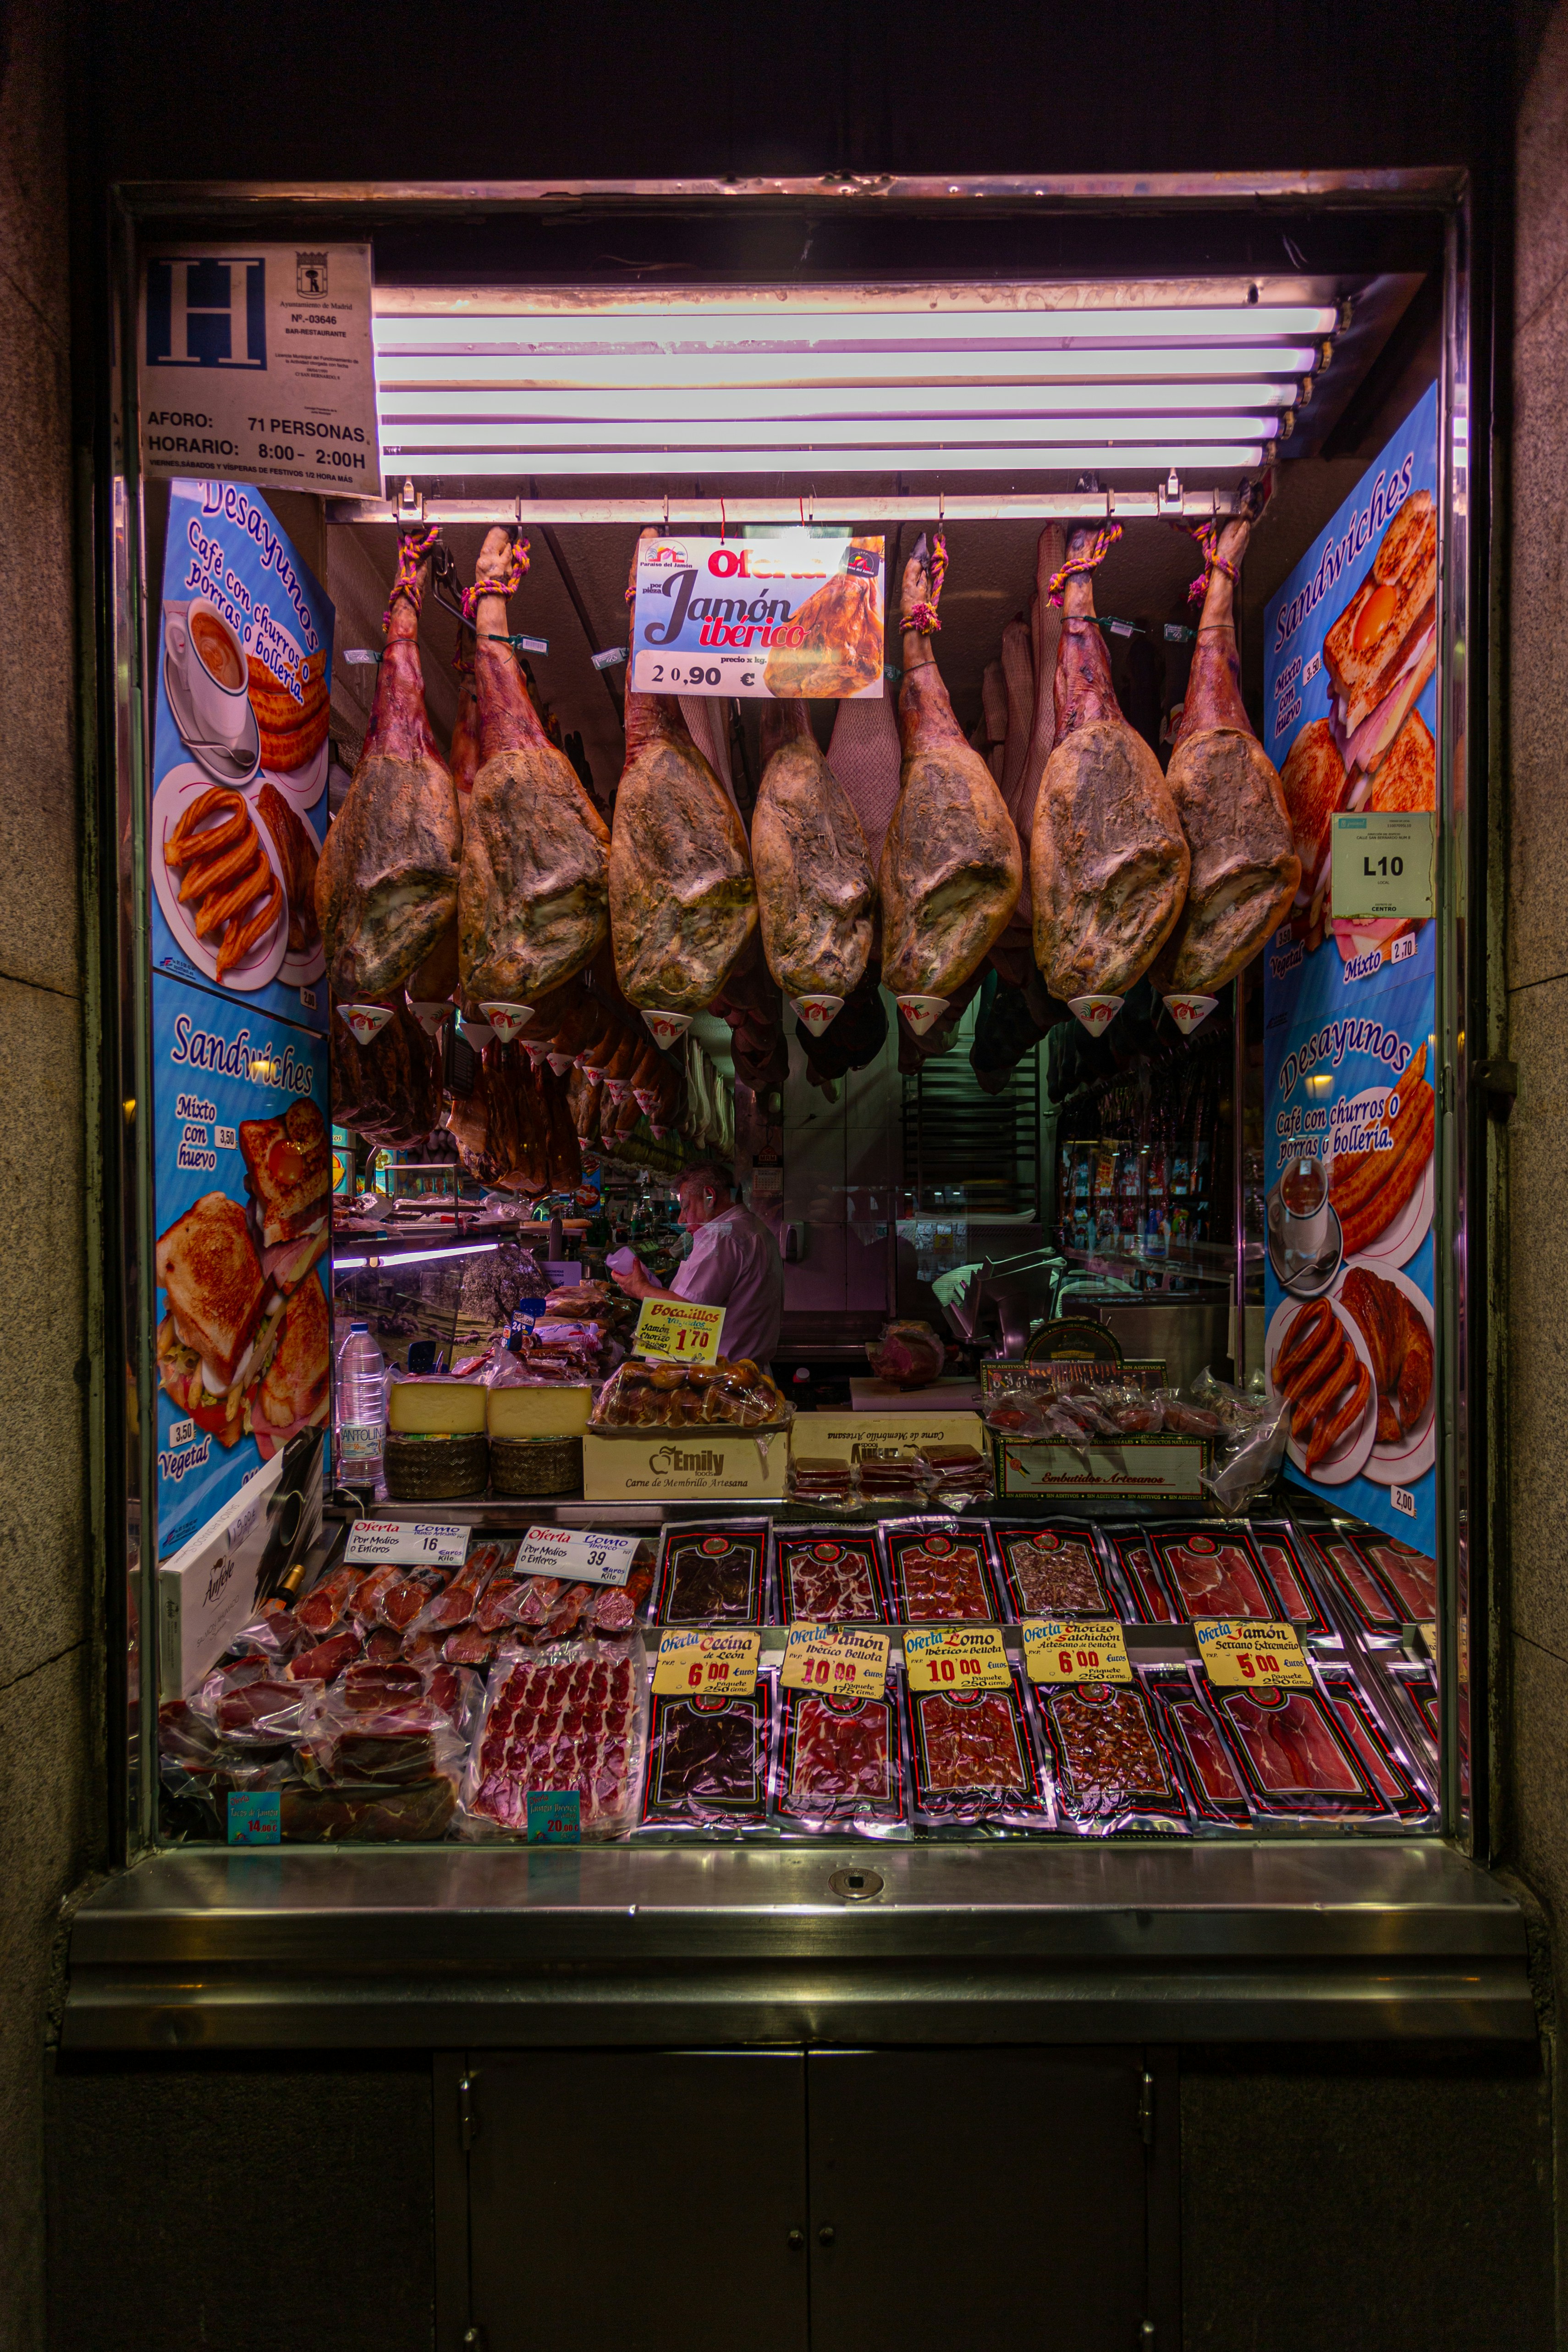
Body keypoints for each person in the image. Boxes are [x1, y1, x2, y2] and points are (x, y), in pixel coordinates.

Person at [611, 1160, 784, 1371]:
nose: (682, 1220)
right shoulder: (753, 1229)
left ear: (709, 1197)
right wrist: (659, 1292)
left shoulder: (722, 1237)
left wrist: (640, 1289)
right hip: (735, 1373)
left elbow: (687, 1310)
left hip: (716, 1377)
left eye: (686, 1207)